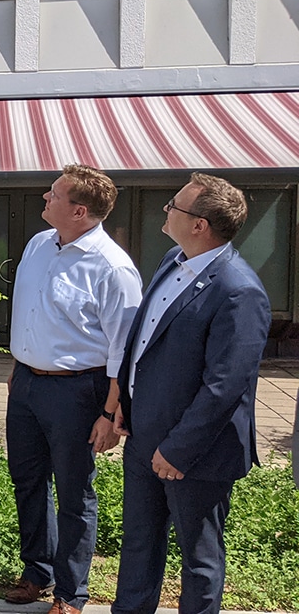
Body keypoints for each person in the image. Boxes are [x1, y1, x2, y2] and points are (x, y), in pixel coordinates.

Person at [111, 173, 270, 614]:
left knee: (199, 560)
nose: (165, 210)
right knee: (139, 546)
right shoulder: (172, 259)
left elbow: (225, 386)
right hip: (145, 436)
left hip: (195, 455)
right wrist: (125, 404)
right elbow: (142, 340)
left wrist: (178, 450)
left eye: (174, 206)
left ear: (200, 224)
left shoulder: (239, 291)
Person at [4, 166, 143, 614]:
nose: (45, 196)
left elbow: (126, 350)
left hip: (79, 391)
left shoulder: (112, 268)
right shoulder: (38, 244)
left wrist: (109, 414)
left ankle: (70, 593)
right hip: (26, 383)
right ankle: (37, 572)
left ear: (79, 211)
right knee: (27, 480)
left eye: (55, 194)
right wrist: (22, 365)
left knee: (74, 491)